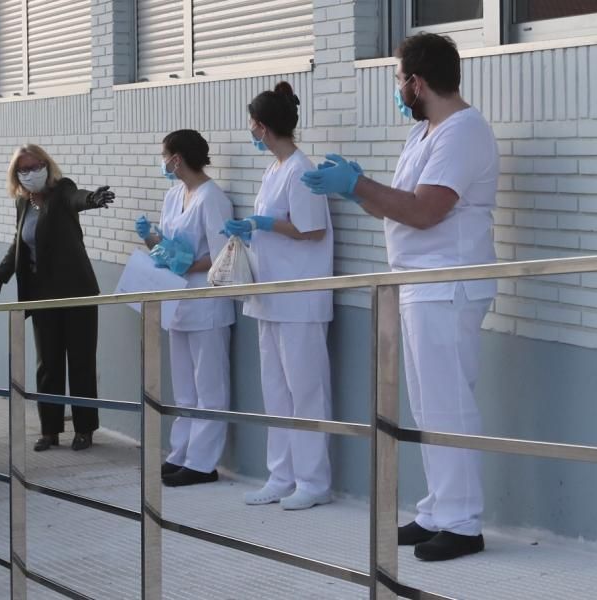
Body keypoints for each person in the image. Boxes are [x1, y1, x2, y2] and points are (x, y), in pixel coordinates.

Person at [302, 33, 499, 562]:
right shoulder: (424, 135)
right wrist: (350, 188)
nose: (398, 91)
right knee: (428, 404)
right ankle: (438, 509)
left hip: (447, 282)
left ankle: (463, 523)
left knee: (449, 404)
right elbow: (395, 206)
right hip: (417, 283)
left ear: (417, 81)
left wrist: (360, 183)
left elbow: (426, 210)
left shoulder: (462, 132)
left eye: (398, 81)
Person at [221, 82, 335, 511]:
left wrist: (265, 224)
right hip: (270, 295)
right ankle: (281, 474)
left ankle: (313, 480)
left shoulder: (301, 170)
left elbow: (312, 229)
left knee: (306, 390)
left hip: (300, 298)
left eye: (253, 124)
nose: (251, 131)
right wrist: (253, 227)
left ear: (264, 127)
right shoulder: (274, 168)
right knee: (276, 389)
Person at [0, 144, 114, 452]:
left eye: (36, 166)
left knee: (80, 362)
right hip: (42, 296)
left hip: (77, 292)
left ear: (47, 165)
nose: (31, 173)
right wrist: (4, 272)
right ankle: (50, 430)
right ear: (16, 174)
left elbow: (76, 198)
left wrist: (93, 199)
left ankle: (84, 429)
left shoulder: (61, 191)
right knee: (48, 366)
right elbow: (20, 241)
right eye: (24, 169)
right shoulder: (22, 203)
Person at [133, 130, 235, 487]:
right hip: (177, 301)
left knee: (209, 386)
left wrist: (185, 264)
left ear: (177, 158)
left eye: (165, 155)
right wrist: (152, 241)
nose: (163, 161)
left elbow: (224, 255)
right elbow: (167, 243)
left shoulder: (212, 197)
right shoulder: (174, 194)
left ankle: (203, 462)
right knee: (184, 387)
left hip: (206, 303)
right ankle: (180, 453)